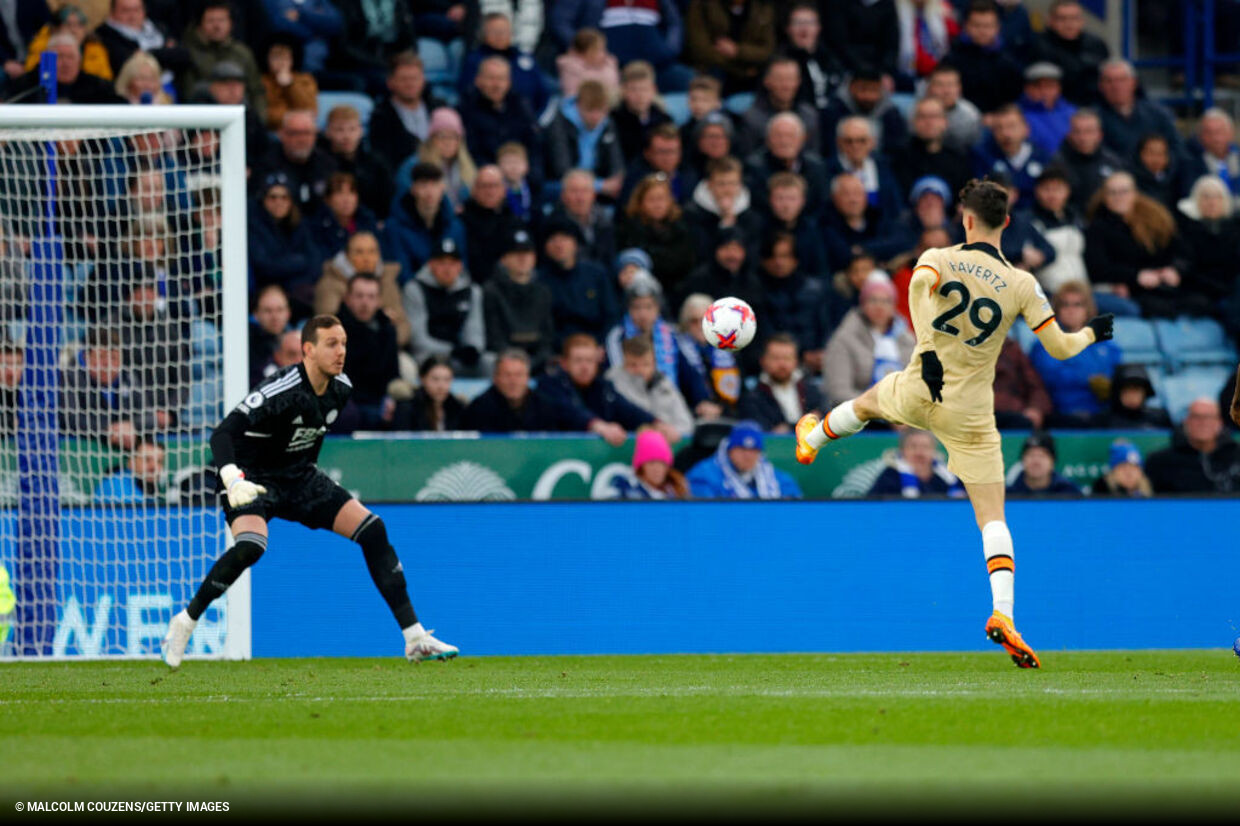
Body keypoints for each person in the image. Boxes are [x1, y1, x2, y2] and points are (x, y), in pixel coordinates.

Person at [794, 177, 1117, 668]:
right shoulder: (1023, 283)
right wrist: (1092, 332)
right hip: (970, 412)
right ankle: (1003, 614)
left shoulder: (938, 256)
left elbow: (919, 292)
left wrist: (926, 350)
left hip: (922, 385)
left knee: (864, 405)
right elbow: (1059, 348)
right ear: (1006, 223)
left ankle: (811, 439)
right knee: (992, 517)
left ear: (965, 218)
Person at [161, 315, 459, 667]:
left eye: (344, 343)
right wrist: (231, 478)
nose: (341, 351)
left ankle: (414, 637)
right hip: (252, 479)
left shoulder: (341, 388)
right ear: (307, 350)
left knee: (373, 530)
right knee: (251, 547)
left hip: (300, 478)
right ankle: (186, 620)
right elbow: (223, 433)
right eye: (332, 344)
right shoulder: (280, 389)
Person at [1084, 171, 1192, 319]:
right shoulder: (1096, 228)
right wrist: (1136, 276)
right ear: (1104, 197)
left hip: (1163, 285)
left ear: (1134, 193)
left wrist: (1175, 270)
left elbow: (1181, 251)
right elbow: (1098, 268)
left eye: (1124, 192)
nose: (1118, 197)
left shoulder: (1156, 220)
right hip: (1129, 291)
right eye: (1112, 193)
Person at [462, 347, 615, 436]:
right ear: (495, 378)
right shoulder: (480, 407)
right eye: (507, 375)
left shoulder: (544, 405)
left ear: (528, 377)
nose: (513, 381)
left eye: (519, 375)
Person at [1029, 280, 1122, 427]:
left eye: (1077, 304)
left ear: (1088, 308)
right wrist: (1089, 380)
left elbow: (1117, 376)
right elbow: (1050, 378)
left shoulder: (1106, 345)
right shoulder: (1044, 342)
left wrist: (1112, 386)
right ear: (1057, 310)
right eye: (1065, 305)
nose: (1071, 310)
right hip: (1061, 414)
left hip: (1102, 414)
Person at [537, 333, 658, 446]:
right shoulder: (550, 385)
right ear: (565, 363)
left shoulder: (603, 387)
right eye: (578, 360)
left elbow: (627, 409)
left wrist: (655, 422)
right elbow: (568, 410)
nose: (584, 367)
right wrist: (596, 425)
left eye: (589, 360)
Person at [822, 273, 916, 407]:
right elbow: (838, 392)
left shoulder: (908, 340)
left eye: (886, 301)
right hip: (858, 416)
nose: (879, 306)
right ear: (863, 304)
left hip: (903, 417)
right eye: (873, 300)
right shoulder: (844, 339)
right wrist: (882, 409)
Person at [315, 231, 409, 349]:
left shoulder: (388, 282)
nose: (366, 258)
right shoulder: (330, 284)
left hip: (383, 347)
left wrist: (387, 340)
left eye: (372, 252)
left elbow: (402, 324)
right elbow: (326, 326)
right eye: (359, 252)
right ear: (347, 256)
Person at [248, 171, 323, 319]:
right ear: (263, 200)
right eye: (273, 197)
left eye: (284, 197)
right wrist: (299, 261)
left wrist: (287, 264)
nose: (279, 202)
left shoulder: (300, 225)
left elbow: (315, 261)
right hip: (265, 292)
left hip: (297, 294)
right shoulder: (253, 226)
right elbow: (265, 267)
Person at [483, 227, 556, 373]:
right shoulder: (491, 290)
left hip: (537, 359)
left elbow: (547, 336)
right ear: (504, 259)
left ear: (534, 258)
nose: (522, 258)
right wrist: (516, 361)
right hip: (503, 358)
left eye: (527, 253)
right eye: (516, 253)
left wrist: (537, 360)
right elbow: (494, 336)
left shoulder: (543, 291)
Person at [383, 162, 467, 287]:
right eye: (423, 185)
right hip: (412, 296)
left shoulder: (455, 227)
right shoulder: (395, 228)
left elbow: (462, 269)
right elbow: (401, 273)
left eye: (434, 185)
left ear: (442, 188)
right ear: (413, 189)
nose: (429, 192)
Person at [538, 216, 617, 349]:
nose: (559, 245)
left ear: (575, 243)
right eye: (552, 240)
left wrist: (601, 345)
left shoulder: (596, 274)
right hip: (558, 350)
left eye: (564, 238)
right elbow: (542, 327)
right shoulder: (539, 281)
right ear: (545, 247)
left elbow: (611, 314)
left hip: (598, 347)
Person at [336, 273, 401, 432]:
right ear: (347, 298)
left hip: (378, 400)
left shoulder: (387, 329)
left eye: (371, 297)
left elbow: (393, 372)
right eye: (359, 296)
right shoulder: (334, 330)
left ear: (379, 301)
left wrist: (391, 398)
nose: (365, 302)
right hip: (346, 400)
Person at [542, 80, 625, 204]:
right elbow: (561, 169)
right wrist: (600, 185)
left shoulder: (607, 124)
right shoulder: (558, 124)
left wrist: (615, 180)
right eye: (590, 110)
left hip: (597, 185)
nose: (596, 117)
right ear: (578, 105)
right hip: (559, 184)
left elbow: (616, 159)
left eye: (601, 111)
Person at [181, 1, 265, 121]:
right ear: (200, 25)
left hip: (243, 119)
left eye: (221, 20)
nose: (217, 26)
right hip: (204, 121)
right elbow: (189, 92)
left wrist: (259, 121)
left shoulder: (243, 53)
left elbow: (256, 91)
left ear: (231, 24)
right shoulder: (189, 53)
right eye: (211, 21)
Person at [755, 231, 828, 369]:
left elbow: (825, 327)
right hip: (775, 365)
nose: (778, 262)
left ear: (795, 259)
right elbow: (764, 335)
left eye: (784, 256)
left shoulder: (815, 290)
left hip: (816, 365)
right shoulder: (755, 293)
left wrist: (822, 352)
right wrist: (800, 356)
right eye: (773, 256)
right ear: (764, 260)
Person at [615, 174, 696, 296]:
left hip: (677, 289)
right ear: (640, 202)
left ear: (670, 201)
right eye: (651, 199)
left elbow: (686, 262)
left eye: (661, 199)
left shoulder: (682, 227)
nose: (657, 205)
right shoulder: (628, 229)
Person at [940, 0, 1023, 114]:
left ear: (997, 27)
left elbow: (1014, 99)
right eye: (976, 25)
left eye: (988, 26)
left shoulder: (1008, 63)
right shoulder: (951, 59)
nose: (982, 31)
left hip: (997, 121)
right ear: (966, 26)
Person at [605, 334, 696, 438]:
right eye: (633, 365)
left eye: (646, 364)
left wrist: (672, 432)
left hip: (668, 445)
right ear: (623, 362)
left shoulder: (664, 383)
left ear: (654, 363)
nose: (640, 370)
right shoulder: (612, 381)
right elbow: (626, 416)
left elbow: (686, 423)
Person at [745, 113, 830, 220]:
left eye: (790, 136)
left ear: (802, 139)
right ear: (768, 140)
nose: (784, 141)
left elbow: (821, 207)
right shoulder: (754, 168)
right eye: (778, 136)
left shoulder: (817, 168)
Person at [686, 420, 802, 499]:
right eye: (741, 449)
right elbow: (705, 511)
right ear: (729, 450)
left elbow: (794, 502)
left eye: (753, 450)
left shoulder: (773, 477)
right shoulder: (704, 474)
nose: (747, 455)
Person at [1174, 176, 1240, 313]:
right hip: (1200, 290)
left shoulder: (1234, 228)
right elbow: (1186, 265)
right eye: (1206, 197)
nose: (1212, 202)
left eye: (1217, 197)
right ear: (1196, 200)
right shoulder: (1185, 229)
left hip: (1231, 288)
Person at [1145, 398, 1240, 494]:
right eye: (1196, 417)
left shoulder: (1236, 456)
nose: (1203, 423)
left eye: (1209, 417)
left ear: (1219, 422)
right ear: (1186, 421)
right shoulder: (1160, 462)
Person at [366, 52, 441, 173]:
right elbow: (383, 161)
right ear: (390, 82)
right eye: (404, 79)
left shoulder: (439, 108)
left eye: (415, 78)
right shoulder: (380, 117)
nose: (410, 84)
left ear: (423, 80)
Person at [253, 109, 338, 216]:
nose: (302, 139)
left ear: (315, 135)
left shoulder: (327, 164)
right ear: (282, 134)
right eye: (295, 133)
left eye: (307, 133)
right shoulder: (266, 166)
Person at [1096, 58, 1181, 161]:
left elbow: (1177, 150)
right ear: (1100, 86)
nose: (1116, 86)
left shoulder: (1158, 114)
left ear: (1134, 82)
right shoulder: (1093, 119)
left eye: (1122, 80)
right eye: (1109, 81)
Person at [319, 104, 394, 220]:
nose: (346, 136)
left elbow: (386, 200)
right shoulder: (320, 163)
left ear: (361, 131)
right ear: (328, 132)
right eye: (339, 130)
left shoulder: (376, 163)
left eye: (352, 129)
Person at [685, 0, 777, 94]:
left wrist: (738, 51)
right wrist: (741, 71)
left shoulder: (763, 7)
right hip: (717, 68)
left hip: (753, 69)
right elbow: (701, 50)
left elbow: (767, 50)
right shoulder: (702, 5)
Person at [738, 333, 824, 432]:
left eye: (787, 358)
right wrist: (807, 424)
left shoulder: (812, 392)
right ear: (763, 361)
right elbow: (764, 431)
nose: (782, 364)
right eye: (776, 358)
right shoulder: (753, 398)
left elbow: (824, 420)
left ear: (796, 361)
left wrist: (788, 428)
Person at [685, 155, 763, 263]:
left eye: (732, 183)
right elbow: (700, 254)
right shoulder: (692, 214)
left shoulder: (752, 217)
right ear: (709, 185)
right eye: (721, 184)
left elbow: (752, 257)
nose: (727, 190)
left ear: (740, 185)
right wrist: (725, 225)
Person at [737, 56, 820, 157]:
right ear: (766, 81)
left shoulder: (809, 116)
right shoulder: (751, 119)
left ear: (798, 81)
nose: (786, 86)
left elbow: (815, 157)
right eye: (780, 79)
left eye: (790, 79)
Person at [893, 97, 972, 202]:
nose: (928, 122)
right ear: (913, 122)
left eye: (934, 116)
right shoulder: (899, 159)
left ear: (945, 122)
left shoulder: (959, 159)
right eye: (922, 117)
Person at [1030, 0, 1109, 105]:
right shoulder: (1037, 46)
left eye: (1074, 18)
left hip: (1095, 105)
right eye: (1062, 19)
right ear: (1050, 21)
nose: (1069, 24)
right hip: (1055, 106)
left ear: (1082, 21)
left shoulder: (1097, 45)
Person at [820, 69, 910, 161]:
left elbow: (897, 150)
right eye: (863, 89)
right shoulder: (833, 111)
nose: (868, 96)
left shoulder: (891, 113)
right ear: (851, 87)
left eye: (874, 90)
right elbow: (828, 149)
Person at [1051, 108, 1124, 213]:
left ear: (1099, 135)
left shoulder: (1113, 162)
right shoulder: (1056, 164)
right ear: (1069, 134)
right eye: (1077, 132)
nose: (1083, 137)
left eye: (1089, 131)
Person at [544, 169, 616, 271]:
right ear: (563, 195)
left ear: (593, 195)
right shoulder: (552, 225)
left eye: (585, 191)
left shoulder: (605, 221)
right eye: (574, 191)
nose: (580, 198)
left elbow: (609, 259)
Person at [868, 428, 966, 497]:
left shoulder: (949, 477)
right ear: (902, 451)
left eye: (925, 447)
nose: (919, 452)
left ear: (934, 451)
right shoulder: (890, 476)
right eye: (913, 447)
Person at [413, 107, 477, 212]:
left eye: (453, 136)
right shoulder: (417, 165)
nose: (448, 142)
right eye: (442, 136)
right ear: (432, 139)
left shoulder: (468, 168)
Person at [612, 60, 673, 165]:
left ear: (653, 90)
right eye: (634, 90)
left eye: (644, 89)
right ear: (624, 91)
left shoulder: (664, 120)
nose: (640, 95)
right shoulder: (613, 121)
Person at [310, 172, 380, 260]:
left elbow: (383, 255)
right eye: (339, 193)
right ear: (327, 199)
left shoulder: (367, 221)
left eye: (351, 192)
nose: (346, 199)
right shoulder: (317, 227)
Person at [259, 34, 317, 132]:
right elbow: (262, 112)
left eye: (285, 58)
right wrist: (288, 118)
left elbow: (310, 109)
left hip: (302, 129)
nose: (281, 62)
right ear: (267, 59)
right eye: (276, 58)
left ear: (293, 60)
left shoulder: (305, 80)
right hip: (273, 129)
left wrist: (290, 85)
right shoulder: (262, 82)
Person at [612, 428, 691, 499]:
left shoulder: (676, 489)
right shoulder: (626, 489)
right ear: (641, 466)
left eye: (661, 463)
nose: (657, 468)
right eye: (651, 463)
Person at [1019, 62, 1076, 159]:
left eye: (1049, 86)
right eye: (1037, 86)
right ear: (1027, 88)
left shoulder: (1072, 112)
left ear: (1058, 88)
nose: (1044, 91)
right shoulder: (1018, 115)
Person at [993, 337, 1052, 430]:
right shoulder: (964, 350)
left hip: (1014, 413)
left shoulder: (1011, 349)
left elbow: (1035, 386)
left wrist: (1036, 408)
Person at [397, 354, 467, 432]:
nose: (441, 386)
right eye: (435, 379)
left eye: (447, 380)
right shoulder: (407, 408)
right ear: (422, 378)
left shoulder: (457, 407)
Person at [925, 63, 982, 154]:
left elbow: (974, 149)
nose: (946, 91)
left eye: (951, 85)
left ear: (959, 88)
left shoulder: (971, 116)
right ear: (930, 88)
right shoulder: (917, 112)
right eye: (940, 85)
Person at [1183, 109, 1240, 200]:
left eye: (1219, 131)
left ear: (1231, 133)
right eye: (1209, 133)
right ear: (1200, 136)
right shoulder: (1190, 166)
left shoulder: (1237, 157)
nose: (1215, 138)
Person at [1006, 430, 1082, 496]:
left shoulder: (1070, 493)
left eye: (1042, 456)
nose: (1036, 461)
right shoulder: (1008, 494)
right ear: (1022, 460)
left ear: (1052, 461)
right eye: (1031, 455)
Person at [1098, 363, 1171, 430]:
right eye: (1127, 390)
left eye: (1136, 390)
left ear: (1145, 393)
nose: (1132, 396)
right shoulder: (1103, 421)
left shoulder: (1160, 419)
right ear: (1117, 394)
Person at [94, 440, 168, 504]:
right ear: (131, 462)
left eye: (159, 462)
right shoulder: (115, 485)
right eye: (147, 460)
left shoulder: (150, 491)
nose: (154, 467)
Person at [556, 27, 620, 100]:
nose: (603, 54)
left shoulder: (609, 63)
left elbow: (615, 91)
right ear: (582, 53)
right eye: (597, 50)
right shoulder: (569, 67)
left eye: (603, 49)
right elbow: (573, 97)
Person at [250, 284, 293, 386]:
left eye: (280, 310)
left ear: (288, 313)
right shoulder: (247, 344)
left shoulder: (297, 340)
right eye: (268, 311)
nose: (275, 317)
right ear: (256, 314)